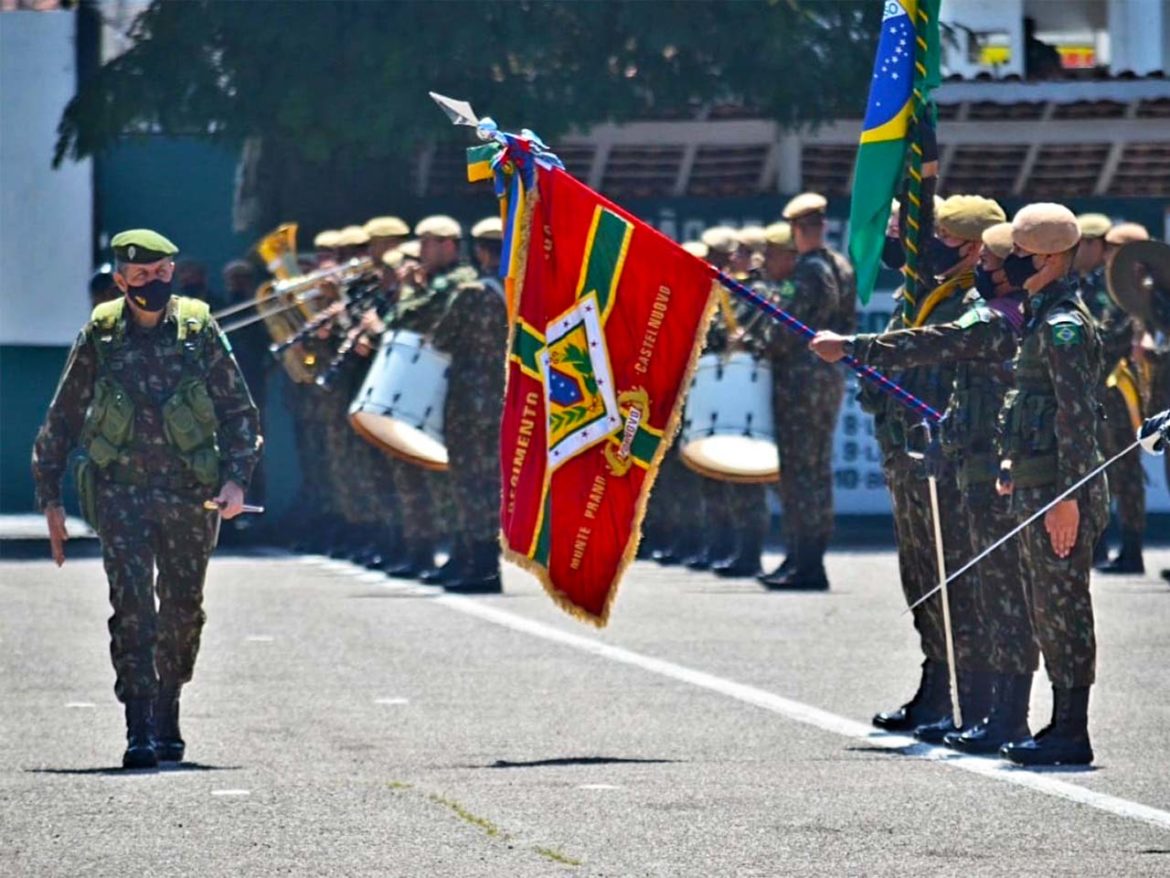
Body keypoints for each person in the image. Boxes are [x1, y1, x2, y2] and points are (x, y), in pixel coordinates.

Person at [32, 229, 262, 768]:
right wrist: (50, 497)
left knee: (182, 609)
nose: (153, 283)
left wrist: (235, 480)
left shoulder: (199, 329)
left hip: (190, 493)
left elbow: (239, 413)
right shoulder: (102, 334)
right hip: (122, 494)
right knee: (132, 607)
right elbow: (64, 416)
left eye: (162, 273)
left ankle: (167, 703)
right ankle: (138, 724)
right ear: (120, 279)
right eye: (141, 275)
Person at [811, 218, 1039, 752]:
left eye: (946, 239)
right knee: (927, 580)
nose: (919, 243)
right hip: (937, 453)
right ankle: (946, 690)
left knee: (976, 587)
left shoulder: (988, 311)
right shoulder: (928, 292)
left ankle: (983, 704)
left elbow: (936, 347)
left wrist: (854, 347)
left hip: (979, 466)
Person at [756, 192, 849, 590]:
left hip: (802, 381)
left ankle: (807, 563)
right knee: (812, 470)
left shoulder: (809, 271)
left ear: (797, 230)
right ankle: (801, 557)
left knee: (802, 473)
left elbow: (788, 328)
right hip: (822, 378)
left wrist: (762, 342)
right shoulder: (838, 265)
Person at [427, 217, 509, 592]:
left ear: (479, 250)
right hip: (503, 399)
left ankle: (480, 566)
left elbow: (441, 339)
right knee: (491, 482)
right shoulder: (518, 293)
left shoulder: (472, 292)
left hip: (467, 404)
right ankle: (480, 560)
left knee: (469, 483)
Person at [1078, 216, 1147, 573]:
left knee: (1127, 472)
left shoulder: (1141, 292)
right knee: (1102, 469)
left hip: (1125, 392)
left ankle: (1132, 547)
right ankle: (1104, 544)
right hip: (1103, 389)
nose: (1111, 257)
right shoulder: (1106, 287)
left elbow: (1115, 336)